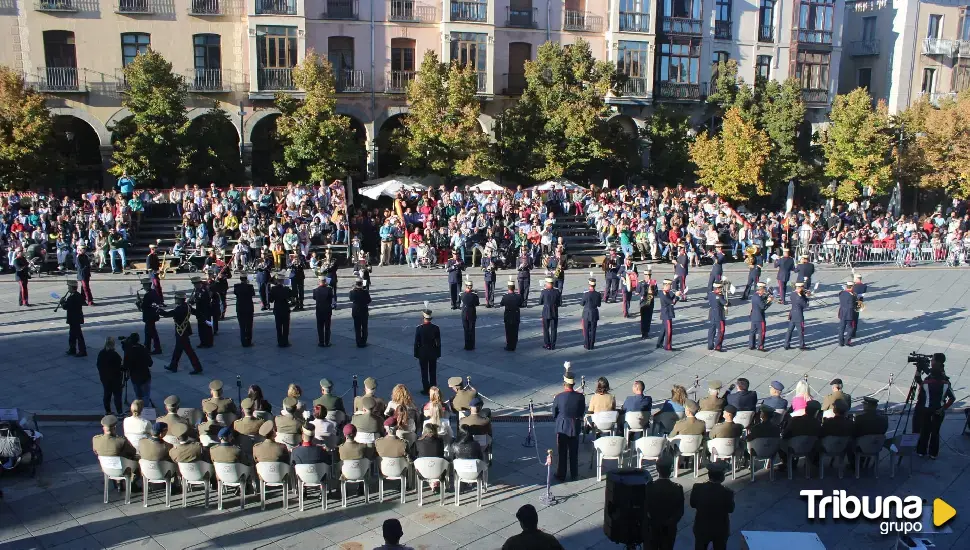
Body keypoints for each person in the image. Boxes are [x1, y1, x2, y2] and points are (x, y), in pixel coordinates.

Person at [690, 461, 735, 550]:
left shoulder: (697, 488)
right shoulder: (727, 493)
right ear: (722, 477)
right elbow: (731, 509)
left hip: (701, 528)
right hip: (720, 530)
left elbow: (693, 504)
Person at [642, 455, 684, 550]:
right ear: (671, 470)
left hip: (652, 528)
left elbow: (645, 509)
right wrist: (670, 522)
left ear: (657, 469)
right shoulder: (677, 488)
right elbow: (680, 512)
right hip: (669, 529)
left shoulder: (649, 487)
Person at [916, 360, 955, 458]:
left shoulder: (926, 383)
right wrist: (944, 408)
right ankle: (933, 453)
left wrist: (918, 370)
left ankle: (921, 451)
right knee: (935, 432)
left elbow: (919, 392)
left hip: (926, 409)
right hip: (939, 410)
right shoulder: (946, 383)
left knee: (924, 430)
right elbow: (952, 398)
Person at [158, 291, 203, 374]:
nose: (175, 300)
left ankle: (198, 367)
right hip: (184, 331)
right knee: (178, 350)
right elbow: (196, 312)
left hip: (181, 333)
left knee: (189, 352)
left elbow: (168, 314)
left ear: (179, 299)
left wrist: (159, 310)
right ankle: (173, 366)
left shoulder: (179, 309)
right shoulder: (187, 306)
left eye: (176, 298)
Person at [552, 367, 585, 482]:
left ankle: (561, 474)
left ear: (564, 384)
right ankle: (574, 474)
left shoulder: (559, 397)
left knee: (562, 452)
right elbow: (581, 412)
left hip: (562, 427)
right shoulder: (580, 397)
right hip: (574, 426)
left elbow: (554, 413)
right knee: (574, 452)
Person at [414, 306, 441, 394]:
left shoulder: (419, 328)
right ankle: (433, 389)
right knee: (433, 372)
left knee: (424, 372)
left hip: (423, 353)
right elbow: (438, 343)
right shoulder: (436, 328)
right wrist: (438, 353)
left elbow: (416, 343)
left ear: (423, 318)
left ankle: (426, 389)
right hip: (433, 353)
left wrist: (416, 354)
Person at [122, 333, 154, 407]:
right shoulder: (143, 349)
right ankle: (145, 411)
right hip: (145, 376)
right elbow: (150, 363)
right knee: (146, 395)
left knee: (138, 396)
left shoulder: (129, 352)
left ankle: (139, 410)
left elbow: (125, 366)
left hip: (135, 378)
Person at [97, 337, 124, 415]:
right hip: (115, 379)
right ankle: (119, 412)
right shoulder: (114, 354)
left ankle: (108, 411)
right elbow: (119, 365)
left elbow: (98, 365)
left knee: (107, 394)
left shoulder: (101, 353)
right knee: (117, 395)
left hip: (105, 378)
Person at [61, 280, 87, 357]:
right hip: (77, 318)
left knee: (78, 335)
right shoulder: (77, 295)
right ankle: (72, 349)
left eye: (69, 287)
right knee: (72, 335)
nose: (68, 289)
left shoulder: (72, 297)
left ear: (72, 288)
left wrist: (62, 302)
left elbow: (66, 307)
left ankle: (82, 351)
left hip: (74, 319)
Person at [139, 278, 163, 354]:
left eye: (144, 285)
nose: (143, 286)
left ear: (147, 285)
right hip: (153, 316)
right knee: (149, 333)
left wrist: (138, 303)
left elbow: (143, 307)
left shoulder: (147, 295)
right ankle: (148, 348)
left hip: (149, 316)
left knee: (151, 333)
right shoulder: (154, 292)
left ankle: (156, 349)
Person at [189, 277, 213, 348]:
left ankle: (207, 342)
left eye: (195, 284)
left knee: (206, 328)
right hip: (200, 311)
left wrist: (195, 299)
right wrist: (191, 301)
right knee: (202, 328)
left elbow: (204, 299)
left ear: (199, 283)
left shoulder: (203, 290)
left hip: (205, 311)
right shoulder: (198, 289)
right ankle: (204, 342)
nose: (194, 286)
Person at [656, 279, 680, 351]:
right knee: (669, 331)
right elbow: (672, 302)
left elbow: (670, 295)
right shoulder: (664, 295)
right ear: (666, 285)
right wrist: (677, 296)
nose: (670, 287)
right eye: (669, 285)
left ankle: (659, 343)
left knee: (663, 330)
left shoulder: (663, 292)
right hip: (667, 314)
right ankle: (668, 346)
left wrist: (676, 293)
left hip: (664, 314)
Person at [268, 276, 292, 347]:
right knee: (286, 326)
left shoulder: (273, 289)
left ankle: (279, 342)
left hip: (277, 309)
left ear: (277, 281)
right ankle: (285, 341)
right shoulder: (286, 289)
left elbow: (271, 300)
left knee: (278, 327)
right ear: (283, 281)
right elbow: (292, 297)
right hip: (285, 309)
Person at [233, 273, 255, 347]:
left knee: (242, 326)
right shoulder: (250, 287)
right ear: (246, 279)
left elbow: (235, 293)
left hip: (240, 308)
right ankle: (248, 341)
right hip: (248, 308)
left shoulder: (236, 287)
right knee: (249, 326)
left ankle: (243, 342)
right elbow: (253, 294)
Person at [539, 277, 562, 350]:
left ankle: (547, 344)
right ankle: (553, 345)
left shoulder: (543, 292)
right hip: (554, 312)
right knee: (554, 329)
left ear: (548, 283)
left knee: (546, 329)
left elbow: (540, 302)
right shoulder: (557, 292)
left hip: (546, 312)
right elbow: (560, 303)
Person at [580, 275, 602, 350]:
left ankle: (587, 345)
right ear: (595, 285)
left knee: (586, 330)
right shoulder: (598, 294)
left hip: (586, 313)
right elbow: (599, 305)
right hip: (594, 313)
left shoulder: (586, 294)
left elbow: (582, 303)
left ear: (589, 285)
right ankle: (592, 345)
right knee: (593, 330)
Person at [786, 281, 810, 349]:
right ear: (800, 288)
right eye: (802, 287)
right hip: (799, 316)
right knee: (800, 331)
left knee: (789, 331)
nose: (803, 289)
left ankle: (786, 344)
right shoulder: (800, 298)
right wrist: (807, 297)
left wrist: (803, 295)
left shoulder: (792, 294)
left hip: (792, 314)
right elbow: (805, 305)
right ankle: (802, 345)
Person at [311, 276, 335, 347]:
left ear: (319, 281)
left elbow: (314, 298)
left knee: (320, 327)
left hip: (319, 310)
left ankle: (321, 342)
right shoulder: (329, 289)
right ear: (325, 281)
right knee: (327, 327)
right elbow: (332, 298)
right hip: (327, 310)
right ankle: (327, 342)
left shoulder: (315, 290)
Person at [500, 277, 523, 350]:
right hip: (516, 315)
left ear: (508, 288)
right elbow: (521, 304)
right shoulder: (518, 296)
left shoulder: (505, 296)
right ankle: (514, 344)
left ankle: (509, 345)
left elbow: (501, 304)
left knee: (508, 331)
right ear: (514, 288)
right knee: (515, 331)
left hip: (508, 315)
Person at [748, 282, 771, 351]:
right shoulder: (759, 297)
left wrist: (766, 297)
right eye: (764, 289)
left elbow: (760, 299)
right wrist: (769, 302)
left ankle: (751, 345)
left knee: (752, 332)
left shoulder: (755, 295)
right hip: (760, 318)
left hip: (753, 316)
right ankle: (760, 346)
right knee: (762, 332)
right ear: (761, 289)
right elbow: (763, 307)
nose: (764, 291)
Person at [349, 279, 371, 347]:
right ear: (361, 284)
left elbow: (351, 299)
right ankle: (363, 342)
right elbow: (369, 300)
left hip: (356, 311)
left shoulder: (352, 292)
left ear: (356, 284)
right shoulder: (365, 292)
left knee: (357, 328)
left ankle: (358, 342)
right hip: (364, 310)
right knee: (364, 327)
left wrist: (352, 290)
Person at [637, 266, 658, 338]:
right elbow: (637, 292)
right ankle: (643, 333)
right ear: (644, 275)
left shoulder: (654, 282)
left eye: (649, 275)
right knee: (643, 318)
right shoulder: (641, 283)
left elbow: (656, 293)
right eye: (646, 275)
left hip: (650, 301)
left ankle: (647, 332)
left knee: (649, 317)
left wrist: (652, 292)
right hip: (643, 302)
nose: (648, 276)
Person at [460, 279, 480, 350]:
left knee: (466, 330)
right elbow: (477, 303)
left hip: (464, 313)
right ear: (471, 286)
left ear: (466, 286)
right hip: (472, 313)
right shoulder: (474, 295)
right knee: (472, 330)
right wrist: (476, 294)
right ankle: (472, 345)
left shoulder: (462, 294)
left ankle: (467, 345)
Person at [707, 282, 727, 351]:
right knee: (721, 330)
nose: (721, 290)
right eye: (720, 288)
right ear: (717, 288)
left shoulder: (710, 294)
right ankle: (718, 346)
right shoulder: (719, 296)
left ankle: (710, 345)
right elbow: (725, 303)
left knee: (711, 330)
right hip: (719, 315)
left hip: (712, 314)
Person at [837, 280, 857, 347]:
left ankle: (840, 342)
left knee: (841, 328)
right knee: (851, 328)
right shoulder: (852, 295)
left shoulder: (841, 293)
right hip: (849, 314)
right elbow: (852, 306)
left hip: (842, 313)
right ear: (852, 287)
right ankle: (847, 341)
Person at [851, 273, 868, 338]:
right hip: (859, 303)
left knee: (851, 318)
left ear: (857, 279)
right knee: (856, 319)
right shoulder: (864, 286)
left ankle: (851, 332)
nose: (853, 279)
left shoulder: (854, 286)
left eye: (854, 278)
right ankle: (854, 332)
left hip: (853, 303)